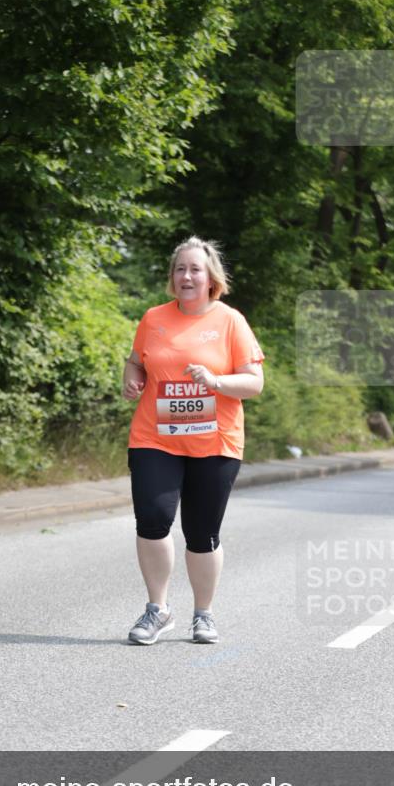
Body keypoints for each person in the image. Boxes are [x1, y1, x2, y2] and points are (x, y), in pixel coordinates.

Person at [122, 236, 264, 645]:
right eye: (180, 269)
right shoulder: (154, 318)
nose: (186, 276)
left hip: (215, 441)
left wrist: (216, 380)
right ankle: (157, 609)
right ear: (173, 277)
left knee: (202, 532)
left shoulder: (230, 321)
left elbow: (254, 382)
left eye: (195, 269)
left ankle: (203, 615)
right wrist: (131, 378)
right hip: (155, 436)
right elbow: (136, 362)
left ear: (210, 277)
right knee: (152, 519)